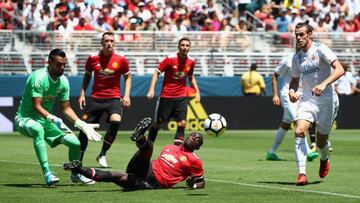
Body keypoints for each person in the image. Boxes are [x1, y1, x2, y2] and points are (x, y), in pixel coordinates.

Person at [14, 49, 102, 186]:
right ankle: (47, 173)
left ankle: (76, 174)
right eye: (58, 64)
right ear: (49, 62)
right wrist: (51, 117)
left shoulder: (64, 81)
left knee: (75, 143)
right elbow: (36, 105)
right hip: (25, 119)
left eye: (64, 64)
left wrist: (80, 123)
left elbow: (66, 108)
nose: (62, 68)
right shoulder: (38, 78)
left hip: (47, 120)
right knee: (37, 129)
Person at [63, 117, 205, 191]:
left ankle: (78, 168)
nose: (193, 138)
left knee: (116, 176)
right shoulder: (170, 147)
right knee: (148, 149)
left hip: (154, 182)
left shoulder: (194, 160)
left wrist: (193, 185)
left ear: (198, 147)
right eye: (192, 135)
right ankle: (139, 137)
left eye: (197, 139)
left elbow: (201, 182)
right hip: (146, 167)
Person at [289, 21, 345, 186]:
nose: (298, 38)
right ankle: (302, 174)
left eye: (301, 35)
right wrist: (292, 92)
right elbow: (294, 80)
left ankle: (324, 157)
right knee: (299, 131)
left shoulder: (321, 49)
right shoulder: (296, 57)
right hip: (307, 101)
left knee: (321, 142)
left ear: (309, 34)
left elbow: (340, 69)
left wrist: (323, 84)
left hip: (327, 101)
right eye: (296, 35)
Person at [78, 32, 131, 168]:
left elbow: (127, 77)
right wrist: (82, 94)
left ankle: (102, 154)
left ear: (114, 43)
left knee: (116, 121)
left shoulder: (121, 59)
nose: (109, 43)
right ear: (102, 43)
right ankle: (79, 158)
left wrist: (126, 95)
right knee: (84, 127)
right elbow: (87, 76)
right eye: (106, 41)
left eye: (112, 41)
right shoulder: (93, 58)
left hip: (113, 98)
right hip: (95, 98)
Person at [146, 37, 201, 145]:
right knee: (158, 123)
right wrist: (151, 89)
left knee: (182, 123)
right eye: (182, 45)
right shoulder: (170, 59)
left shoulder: (191, 61)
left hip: (181, 96)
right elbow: (156, 72)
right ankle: (148, 146)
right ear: (178, 46)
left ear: (189, 47)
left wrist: (197, 91)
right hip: (167, 96)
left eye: (187, 45)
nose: (185, 47)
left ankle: (177, 151)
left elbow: (191, 76)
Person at [266, 53, 318, 161]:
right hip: (287, 95)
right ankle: (308, 152)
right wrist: (275, 95)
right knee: (299, 120)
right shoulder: (287, 60)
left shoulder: (307, 60)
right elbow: (275, 75)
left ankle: (271, 152)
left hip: (298, 96)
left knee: (285, 124)